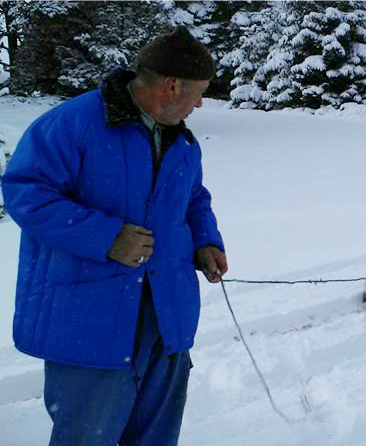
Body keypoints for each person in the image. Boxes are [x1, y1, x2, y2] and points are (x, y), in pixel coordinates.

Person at [1, 26, 228, 446]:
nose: (200, 103)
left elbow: (193, 197)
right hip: (90, 317)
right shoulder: (73, 124)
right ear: (171, 84)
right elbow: (25, 192)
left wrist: (206, 241)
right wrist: (105, 237)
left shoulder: (181, 138)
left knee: (155, 436)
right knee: (89, 437)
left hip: (166, 314)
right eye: (198, 91)